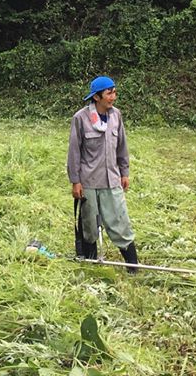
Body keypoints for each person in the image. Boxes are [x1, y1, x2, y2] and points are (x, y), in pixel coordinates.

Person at [67, 75, 139, 271]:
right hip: (88, 182)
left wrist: (124, 172)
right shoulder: (80, 118)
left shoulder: (116, 115)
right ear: (96, 97)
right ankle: (90, 264)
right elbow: (74, 151)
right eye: (109, 93)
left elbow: (122, 146)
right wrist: (75, 181)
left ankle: (133, 266)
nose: (114, 96)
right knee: (89, 226)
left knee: (120, 222)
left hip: (112, 180)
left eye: (114, 92)